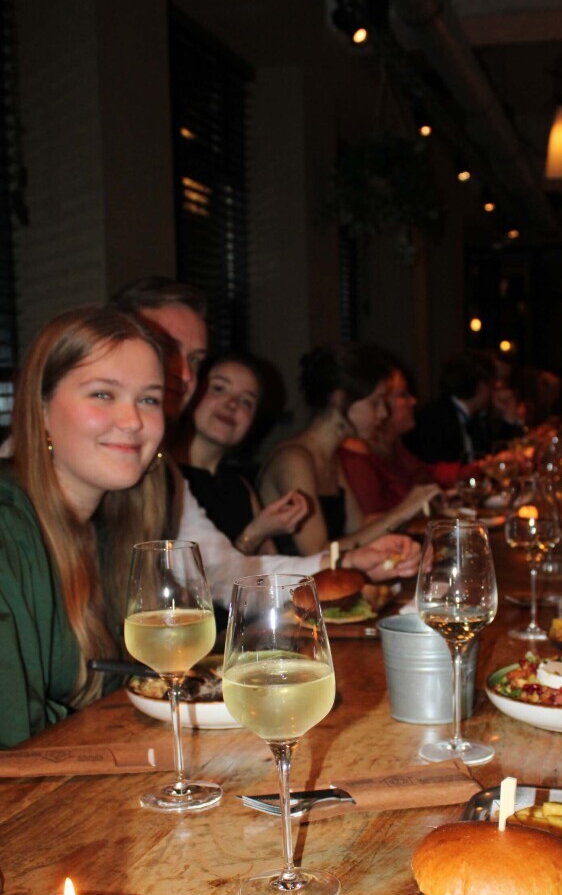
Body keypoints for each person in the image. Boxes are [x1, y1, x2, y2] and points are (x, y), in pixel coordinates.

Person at [110, 279, 421, 601]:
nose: (185, 375)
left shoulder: (168, 475)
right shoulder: (127, 466)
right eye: (167, 349)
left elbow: (223, 571)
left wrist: (349, 562)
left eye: (195, 359)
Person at [0, 305, 167, 747]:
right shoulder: (6, 529)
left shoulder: (119, 528)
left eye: (149, 399)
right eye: (103, 394)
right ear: (41, 410)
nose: (133, 421)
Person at [258, 344, 438, 556]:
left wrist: (418, 514)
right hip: (292, 578)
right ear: (339, 398)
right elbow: (316, 553)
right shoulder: (295, 459)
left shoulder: (329, 455)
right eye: (376, 403)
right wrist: (402, 512)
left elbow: (358, 527)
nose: (383, 413)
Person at [177, 352, 306, 553]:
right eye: (219, 388)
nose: (232, 404)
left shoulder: (239, 486)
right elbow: (192, 571)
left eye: (246, 401)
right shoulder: (166, 478)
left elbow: (272, 566)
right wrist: (254, 535)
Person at [339, 363, 437, 515]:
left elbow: (426, 477)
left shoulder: (393, 446)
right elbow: (368, 521)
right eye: (403, 395)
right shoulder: (355, 453)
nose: (413, 401)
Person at [405, 352, 493, 466]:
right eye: (492, 385)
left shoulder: (475, 418)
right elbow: (438, 468)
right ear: (481, 387)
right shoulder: (435, 418)